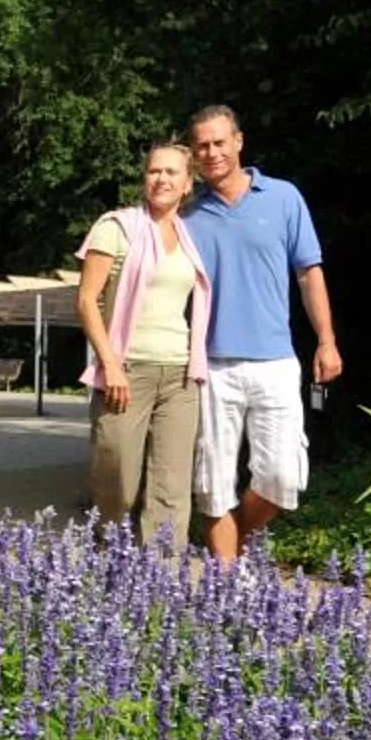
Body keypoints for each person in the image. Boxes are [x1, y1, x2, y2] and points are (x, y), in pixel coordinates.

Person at [180, 104, 340, 563]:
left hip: (275, 360)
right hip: (210, 365)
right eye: (202, 146)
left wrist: (326, 340)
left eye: (219, 142)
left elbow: (308, 273)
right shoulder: (186, 215)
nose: (211, 152)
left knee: (282, 478)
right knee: (212, 484)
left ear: (238, 141)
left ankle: (231, 547)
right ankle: (227, 584)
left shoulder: (284, 197)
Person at [75, 140, 212, 552]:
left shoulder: (191, 236)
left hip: (180, 374)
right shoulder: (116, 227)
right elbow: (87, 301)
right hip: (127, 369)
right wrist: (111, 365)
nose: (161, 179)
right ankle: (108, 551)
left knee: (171, 486)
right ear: (144, 178)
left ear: (187, 184)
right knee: (116, 474)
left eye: (172, 172)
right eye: (154, 171)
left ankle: (161, 575)